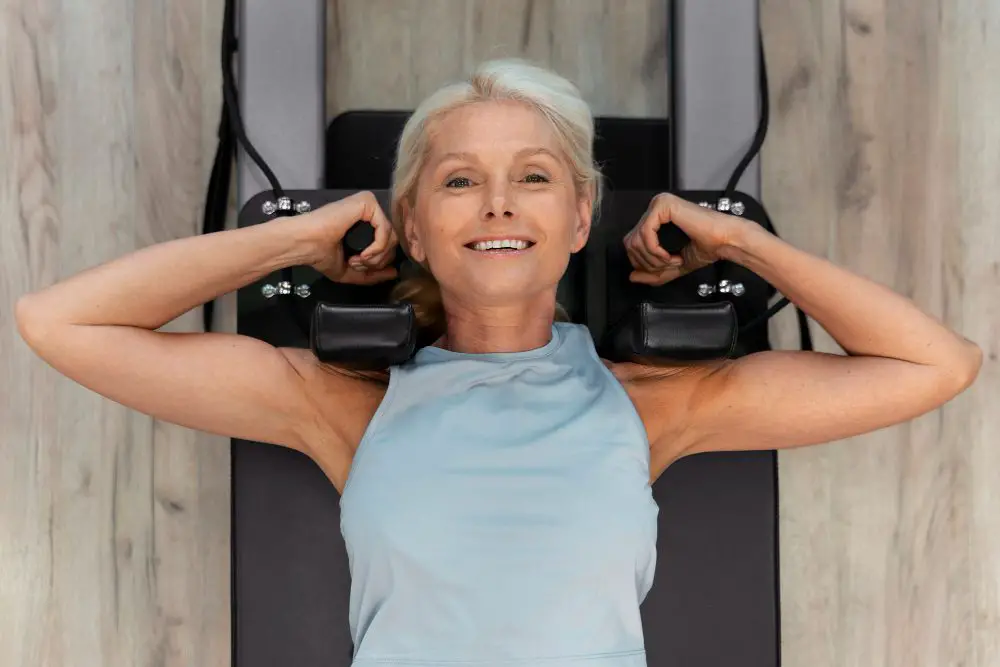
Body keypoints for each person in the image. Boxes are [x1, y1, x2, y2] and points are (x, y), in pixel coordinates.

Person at [15, 59, 982, 666]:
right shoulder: (342, 407)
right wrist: (297, 240)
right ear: (416, 228)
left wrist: (740, 245)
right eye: (459, 181)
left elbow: (937, 365)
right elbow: (60, 324)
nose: (498, 204)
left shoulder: (653, 407)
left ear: (577, 220)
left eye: (533, 177)